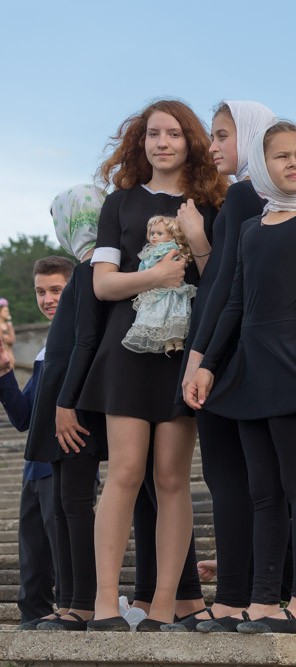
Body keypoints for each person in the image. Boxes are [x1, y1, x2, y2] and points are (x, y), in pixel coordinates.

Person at [77, 99, 227, 631]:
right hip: (127, 352)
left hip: (184, 355)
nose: (162, 143)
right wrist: (155, 278)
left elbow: (222, 284)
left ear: (190, 141)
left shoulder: (212, 203)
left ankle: (164, 606)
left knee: (171, 477)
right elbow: (103, 285)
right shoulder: (119, 203)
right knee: (124, 472)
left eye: (174, 133)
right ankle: (104, 604)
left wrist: (200, 238)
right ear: (140, 143)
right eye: (153, 134)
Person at [191, 121, 296, 638]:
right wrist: (208, 363)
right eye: (282, 156)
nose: (295, 163)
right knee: (263, 493)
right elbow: (234, 300)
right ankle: (261, 604)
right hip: (249, 368)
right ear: (262, 164)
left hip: (294, 360)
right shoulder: (252, 228)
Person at [174, 100, 275, 631]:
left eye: (221, 135)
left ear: (252, 136)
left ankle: (235, 599)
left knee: (229, 478)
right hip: (258, 353)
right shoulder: (279, 200)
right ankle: (252, 596)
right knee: (256, 482)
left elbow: (223, 283)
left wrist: (198, 357)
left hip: (226, 354)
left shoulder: (241, 195)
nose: (212, 146)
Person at [26, 187, 109, 631]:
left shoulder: (91, 272)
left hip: (72, 404)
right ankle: (70, 600)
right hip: (61, 400)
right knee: (62, 506)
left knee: (75, 505)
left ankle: (84, 603)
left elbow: (86, 341)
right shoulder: (85, 272)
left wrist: (66, 402)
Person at [0, 256, 74, 627]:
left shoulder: (80, 340)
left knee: (63, 551)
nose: (47, 299)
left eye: (56, 290)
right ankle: (32, 622)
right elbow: (23, 418)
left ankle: (73, 611)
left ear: (74, 289)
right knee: (32, 559)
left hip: (65, 462)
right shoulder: (46, 350)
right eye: (41, 292)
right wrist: (4, 374)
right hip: (34, 467)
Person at [121, 215, 197, 354]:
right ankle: (167, 344)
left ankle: (177, 342)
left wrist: (148, 271)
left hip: (168, 289)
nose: (154, 236)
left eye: (159, 233)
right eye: (152, 233)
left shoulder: (168, 248)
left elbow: (154, 264)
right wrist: (142, 277)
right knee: (160, 316)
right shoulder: (150, 251)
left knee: (170, 313)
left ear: (171, 236)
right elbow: (143, 269)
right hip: (155, 288)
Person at [0, 298, 14, 368]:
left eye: (8, 311)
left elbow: (12, 340)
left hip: (10, 358)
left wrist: (3, 337)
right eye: (5, 311)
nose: (7, 313)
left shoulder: (9, 326)